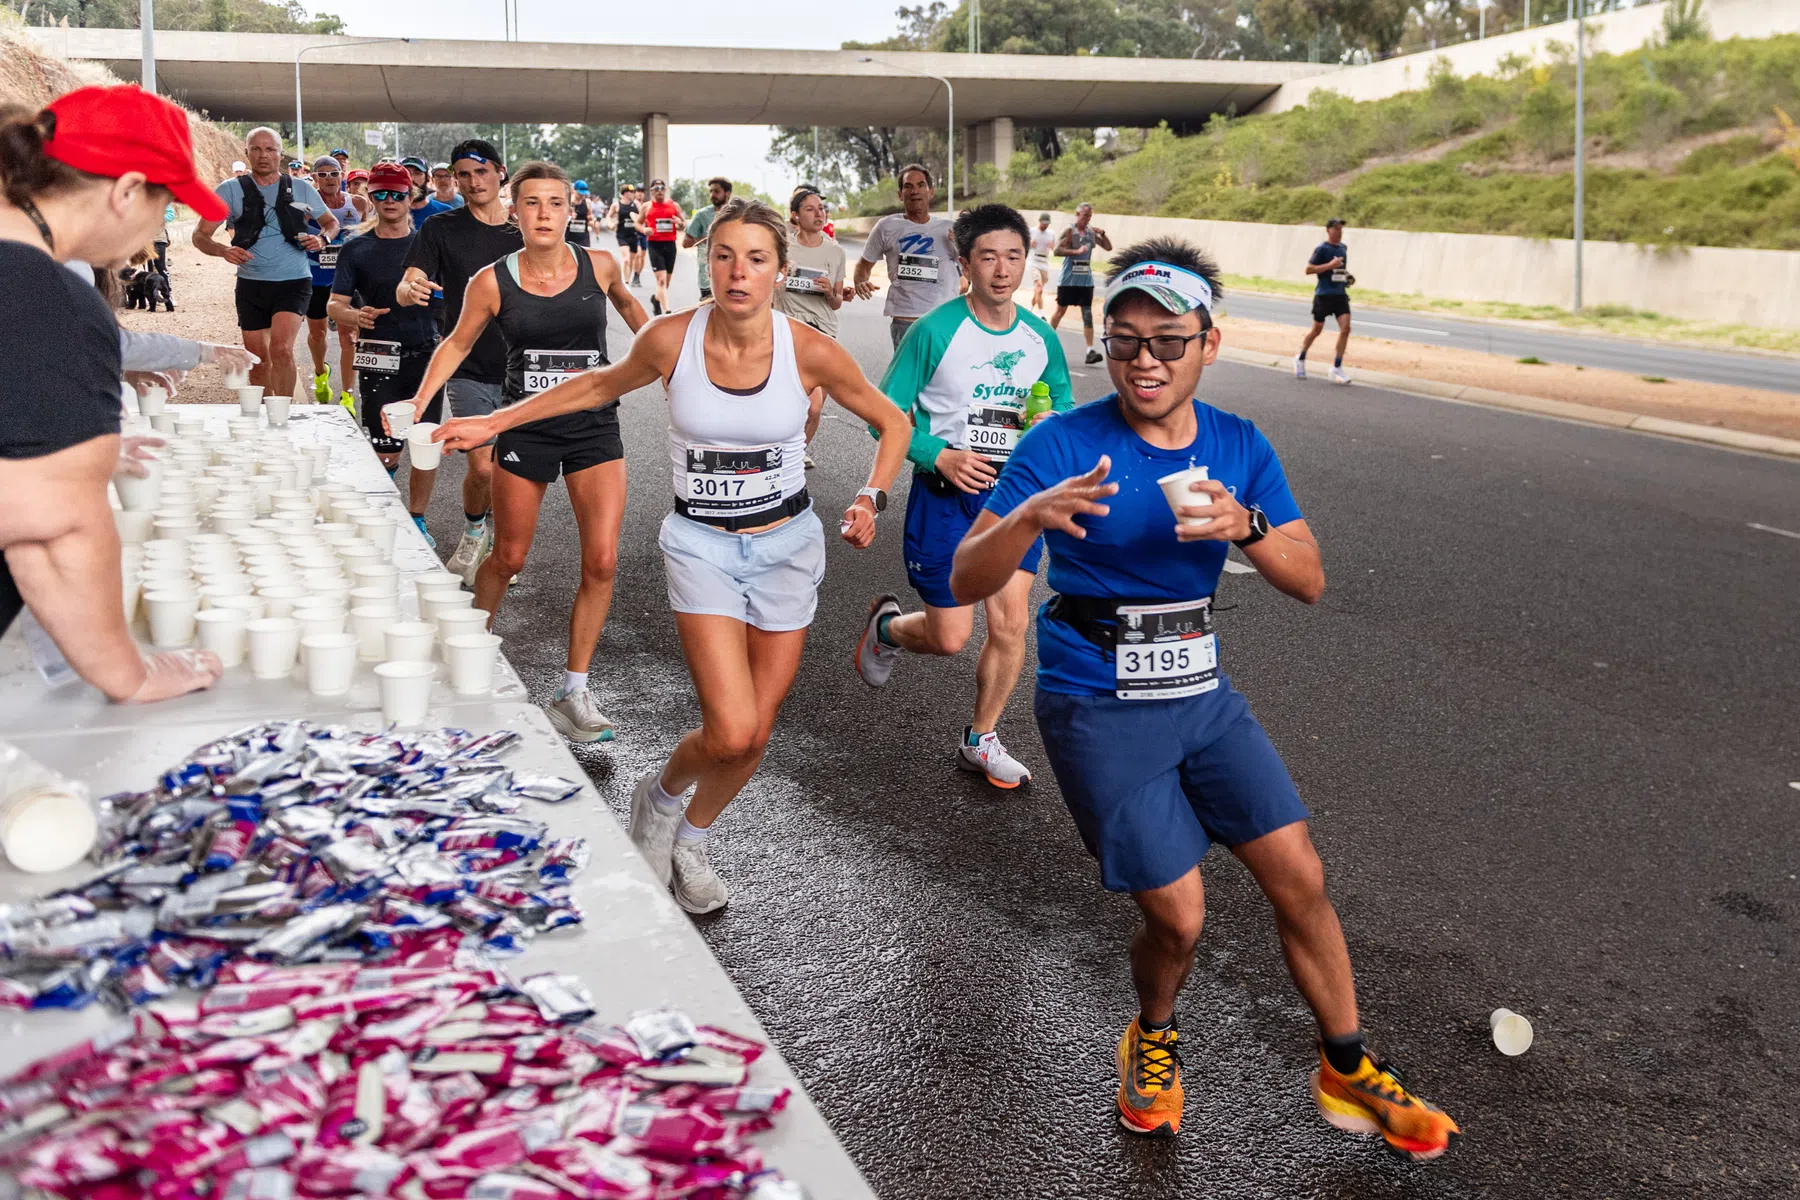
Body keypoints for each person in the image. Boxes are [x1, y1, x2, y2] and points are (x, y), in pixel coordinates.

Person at [949, 236, 1460, 1157]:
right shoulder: (1063, 441)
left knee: (1299, 874)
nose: (1144, 360)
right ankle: (1152, 1035)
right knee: (1178, 917)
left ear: (1209, 344)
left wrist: (1247, 525)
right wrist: (1027, 516)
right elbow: (962, 572)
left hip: (1199, 687)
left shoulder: (1239, 443)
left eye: (1168, 341)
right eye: (1124, 340)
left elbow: (1307, 579)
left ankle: (1346, 1067)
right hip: (1095, 698)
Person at [435, 198, 911, 914]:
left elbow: (892, 422)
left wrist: (870, 497)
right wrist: (495, 420)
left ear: (781, 270)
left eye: (755, 259)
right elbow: (594, 384)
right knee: (731, 728)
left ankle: (687, 836)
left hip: (786, 546)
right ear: (705, 262)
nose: (737, 272)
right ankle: (656, 803)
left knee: (754, 737)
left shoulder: (807, 348)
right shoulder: (670, 339)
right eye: (723, 255)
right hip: (702, 547)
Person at [400, 161, 647, 742]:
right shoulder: (490, 280)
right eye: (532, 202)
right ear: (515, 210)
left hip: (592, 426)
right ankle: (468, 661)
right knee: (509, 557)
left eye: (555, 203)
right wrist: (420, 403)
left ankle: (573, 692)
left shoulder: (601, 265)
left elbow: (639, 316)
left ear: (570, 210)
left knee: (603, 561)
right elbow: (457, 344)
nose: (543, 213)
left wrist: (674, 361)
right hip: (524, 425)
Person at [0, 84, 223, 703]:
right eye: (167, 205)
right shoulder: (46, 299)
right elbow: (55, 526)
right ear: (126, 190)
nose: (158, 232)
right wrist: (130, 673)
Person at [853, 204, 1072, 789]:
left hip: (1013, 502)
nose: (1003, 270)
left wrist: (1048, 422)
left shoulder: (1041, 338)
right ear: (964, 262)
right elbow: (883, 416)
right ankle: (889, 629)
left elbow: (1064, 411)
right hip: (945, 498)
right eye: (988, 257)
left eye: (1014, 256)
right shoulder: (934, 331)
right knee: (950, 638)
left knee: (1010, 624)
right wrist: (937, 454)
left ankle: (981, 738)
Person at [395, 137, 519, 564]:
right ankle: (474, 530)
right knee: (482, 467)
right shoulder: (440, 228)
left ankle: (503, 550)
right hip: (467, 364)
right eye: (463, 174)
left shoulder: (526, 229)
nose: (472, 181)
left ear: (501, 172)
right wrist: (409, 288)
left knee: (511, 469)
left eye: (481, 171)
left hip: (525, 368)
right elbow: (410, 278)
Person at [192, 127, 337, 400]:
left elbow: (331, 223)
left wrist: (322, 239)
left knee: (281, 350)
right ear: (246, 153)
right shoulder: (229, 190)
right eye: (256, 149)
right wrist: (222, 250)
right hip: (251, 284)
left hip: (293, 281)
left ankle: (283, 415)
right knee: (258, 360)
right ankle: (264, 416)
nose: (263, 155)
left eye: (270, 149)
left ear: (280, 154)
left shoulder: (302, 188)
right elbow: (200, 236)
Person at [327, 162, 441, 492]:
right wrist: (355, 316)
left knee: (425, 448)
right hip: (378, 356)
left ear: (411, 196)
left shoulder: (428, 245)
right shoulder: (355, 247)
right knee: (385, 452)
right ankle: (385, 509)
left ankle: (418, 519)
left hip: (425, 355)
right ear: (371, 198)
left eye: (397, 194)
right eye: (381, 194)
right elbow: (334, 304)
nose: (390, 200)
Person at [774, 186, 847, 468]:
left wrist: (830, 292)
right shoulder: (784, 249)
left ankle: (796, 451)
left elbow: (837, 302)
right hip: (789, 330)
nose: (819, 214)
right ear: (795, 216)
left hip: (823, 332)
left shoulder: (835, 252)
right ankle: (784, 454)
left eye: (821, 209)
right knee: (799, 401)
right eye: (810, 209)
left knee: (815, 407)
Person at [853, 163, 960, 350]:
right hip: (906, 321)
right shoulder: (886, 226)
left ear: (931, 192)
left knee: (945, 378)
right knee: (909, 378)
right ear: (900, 194)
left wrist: (961, 245)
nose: (914, 191)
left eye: (921, 185)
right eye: (908, 187)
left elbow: (973, 268)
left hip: (944, 319)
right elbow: (863, 265)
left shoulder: (950, 228)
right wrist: (860, 282)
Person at [304, 155, 366, 409]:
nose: (329, 178)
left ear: (342, 175)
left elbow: (372, 233)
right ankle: (321, 373)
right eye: (323, 174)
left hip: (350, 279)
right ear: (315, 178)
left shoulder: (359, 203)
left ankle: (348, 395)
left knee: (349, 336)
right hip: (317, 276)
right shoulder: (307, 206)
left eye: (334, 173)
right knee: (317, 334)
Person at [1048, 203, 1112, 365]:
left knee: (1087, 314)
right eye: (1084, 215)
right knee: (1060, 311)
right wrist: (1075, 252)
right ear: (1077, 214)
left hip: (1085, 281)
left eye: (1089, 216)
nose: (1087, 218)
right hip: (1068, 280)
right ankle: (1046, 341)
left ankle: (1090, 351)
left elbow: (1108, 247)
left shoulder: (1090, 233)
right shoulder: (1070, 231)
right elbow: (1057, 251)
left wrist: (1103, 234)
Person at [1296, 217, 1352, 385]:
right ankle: (1300, 358)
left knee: (1346, 328)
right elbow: (1308, 269)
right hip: (1324, 294)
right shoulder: (1322, 249)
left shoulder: (1343, 248)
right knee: (1317, 330)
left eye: (1340, 229)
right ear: (1328, 230)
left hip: (1340, 294)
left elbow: (1340, 270)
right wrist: (1329, 265)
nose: (1339, 232)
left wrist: (1347, 277)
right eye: (1335, 228)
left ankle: (1337, 366)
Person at [682, 176, 730, 302]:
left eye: (716, 191)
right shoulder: (701, 215)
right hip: (707, 278)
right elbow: (685, 243)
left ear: (727, 193)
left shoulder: (737, 214)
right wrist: (708, 238)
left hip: (732, 276)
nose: (712, 195)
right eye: (711, 191)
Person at [640, 179, 682, 316]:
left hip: (670, 245)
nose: (659, 191)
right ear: (651, 191)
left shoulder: (674, 206)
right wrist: (644, 229)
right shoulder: (646, 207)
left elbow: (683, 224)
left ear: (665, 190)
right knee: (661, 280)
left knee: (666, 283)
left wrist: (679, 222)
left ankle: (656, 300)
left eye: (662, 188)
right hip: (654, 245)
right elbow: (638, 223)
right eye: (656, 188)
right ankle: (667, 312)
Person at [608, 183, 643, 286]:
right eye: (631, 192)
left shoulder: (636, 205)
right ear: (625, 193)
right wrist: (610, 224)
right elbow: (609, 216)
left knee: (632, 259)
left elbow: (642, 217)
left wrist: (638, 219)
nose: (633, 194)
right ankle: (625, 282)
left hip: (633, 235)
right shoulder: (616, 205)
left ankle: (628, 278)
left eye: (633, 192)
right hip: (622, 235)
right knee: (626, 259)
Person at [1028, 211, 1054, 312]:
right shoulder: (1031, 231)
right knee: (1039, 287)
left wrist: (1052, 247)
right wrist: (1029, 243)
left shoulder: (1051, 233)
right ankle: (1041, 314)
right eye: (1043, 223)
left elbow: (1054, 249)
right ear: (1039, 221)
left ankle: (1030, 307)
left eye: (1047, 223)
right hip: (1034, 261)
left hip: (1045, 262)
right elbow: (1022, 245)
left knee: (1038, 290)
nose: (1045, 225)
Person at [566, 179, 594, 249]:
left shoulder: (587, 203)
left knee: (584, 258)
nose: (582, 195)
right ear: (574, 190)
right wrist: (569, 217)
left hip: (583, 237)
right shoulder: (567, 202)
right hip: (569, 236)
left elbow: (590, 216)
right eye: (579, 193)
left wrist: (591, 219)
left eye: (583, 193)